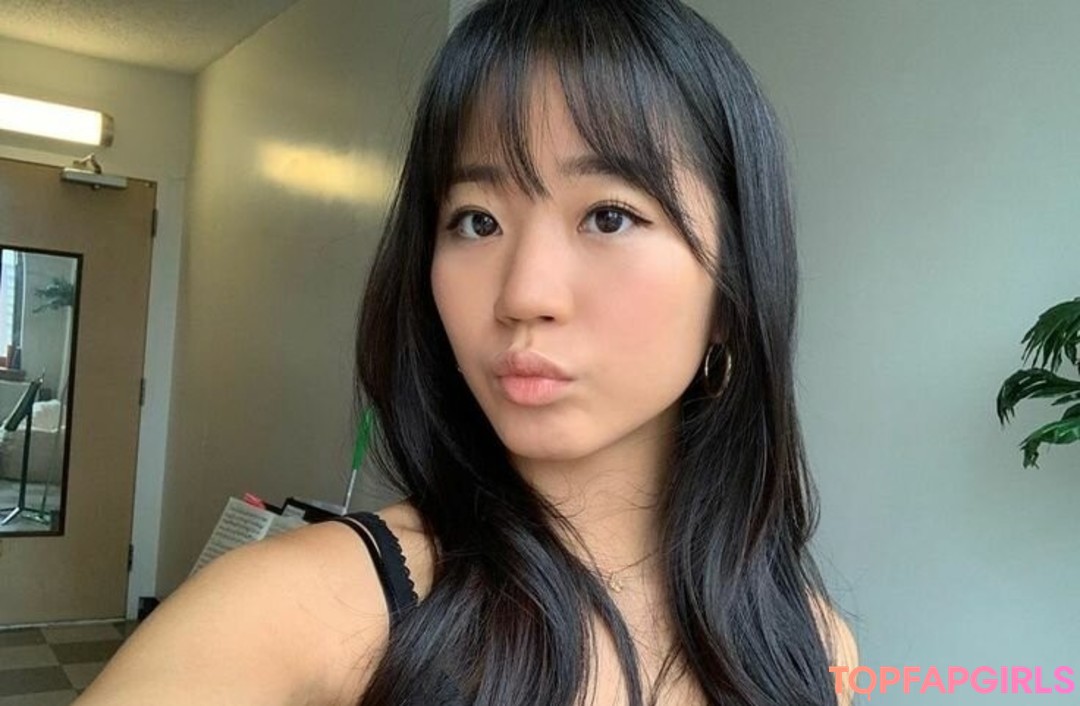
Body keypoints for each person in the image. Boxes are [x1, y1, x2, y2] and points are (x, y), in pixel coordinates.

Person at [76, 0, 858, 704]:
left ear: (733, 289)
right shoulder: (297, 612)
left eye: (610, 216)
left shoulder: (813, 646)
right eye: (477, 221)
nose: (523, 294)